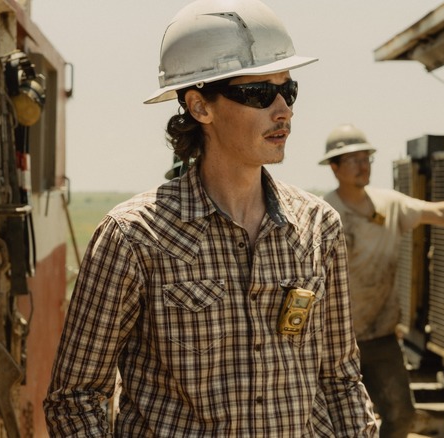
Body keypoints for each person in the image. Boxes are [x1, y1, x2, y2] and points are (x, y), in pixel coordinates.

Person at [43, 1, 378, 436]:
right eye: (259, 93)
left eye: (288, 90)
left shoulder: (318, 227)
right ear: (201, 107)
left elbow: (339, 379)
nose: (284, 110)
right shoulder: (135, 236)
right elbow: (75, 399)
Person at [318, 123, 444, 438]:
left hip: (380, 337)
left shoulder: (389, 206)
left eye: (366, 158)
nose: (363, 165)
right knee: (334, 423)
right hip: (333, 341)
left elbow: (438, 213)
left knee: (401, 417)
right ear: (335, 167)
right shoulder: (324, 214)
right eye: (353, 159)